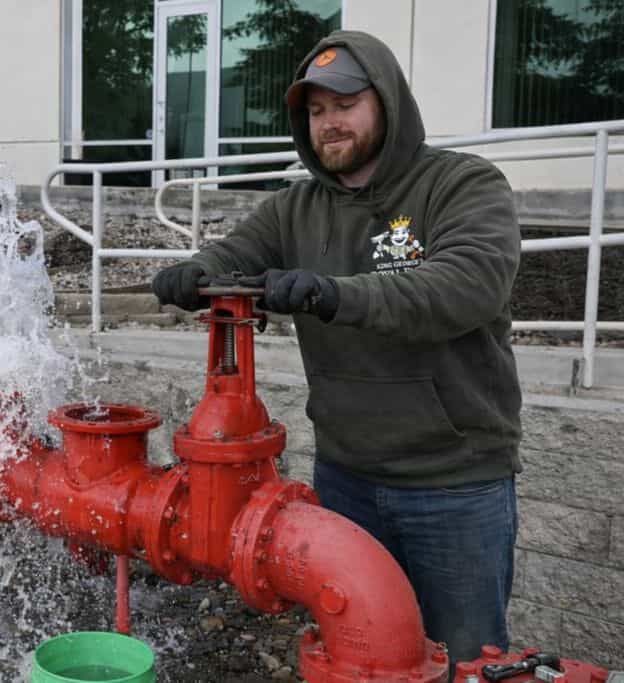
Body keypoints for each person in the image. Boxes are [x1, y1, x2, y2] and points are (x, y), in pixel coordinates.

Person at [152, 30, 521, 664]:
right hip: (345, 477)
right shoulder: (295, 207)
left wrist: (334, 294)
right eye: (316, 112)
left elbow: (468, 286)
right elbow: (233, 254)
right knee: (353, 655)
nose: (330, 124)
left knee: (466, 658)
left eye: (344, 104)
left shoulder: (462, 184)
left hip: (454, 484)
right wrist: (196, 273)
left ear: (387, 102)